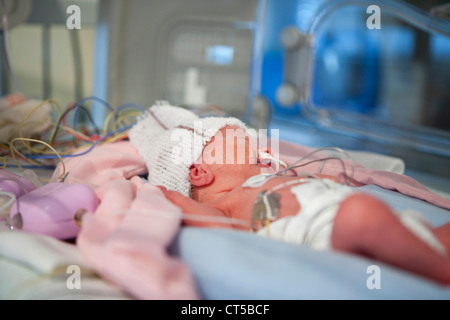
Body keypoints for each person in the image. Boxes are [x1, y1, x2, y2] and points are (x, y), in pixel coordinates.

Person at [129, 103, 450, 285]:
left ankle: (430, 253)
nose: (263, 149)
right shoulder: (227, 207)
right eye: (243, 144)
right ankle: (441, 274)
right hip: (334, 232)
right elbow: (211, 225)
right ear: (199, 172)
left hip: (386, 225)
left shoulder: (273, 177)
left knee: (437, 232)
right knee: (362, 213)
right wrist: (161, 193)